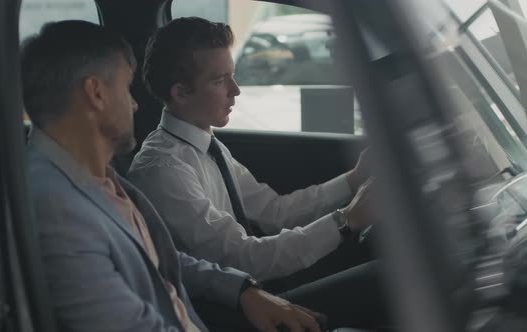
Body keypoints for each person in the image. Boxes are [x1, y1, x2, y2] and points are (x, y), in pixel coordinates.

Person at [21, 20, 327, 332]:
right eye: (127, 89)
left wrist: (240, 290)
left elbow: (159, 259)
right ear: (96, 93)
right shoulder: (56, 208)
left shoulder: (95, 178)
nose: (136, 104)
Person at [128, 16, 375, 291]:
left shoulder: (208, 145)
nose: (236, 90)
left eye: (232, 76)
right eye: (220, 81)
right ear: (182, 93)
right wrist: (346, 220)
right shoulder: (164, 170)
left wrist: (354, 180)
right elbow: (243, 259)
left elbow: (275, 212)